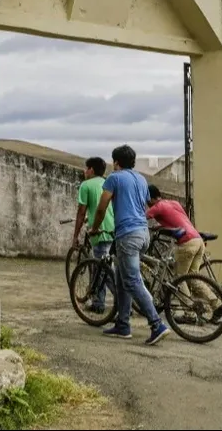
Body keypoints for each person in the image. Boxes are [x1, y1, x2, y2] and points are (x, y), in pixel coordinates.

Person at [89, 144, 171, 346]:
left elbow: (101, 207)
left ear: (116, 162)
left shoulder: (114, 178)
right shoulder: (141, 179)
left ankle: (157, 324)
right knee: (121, 279)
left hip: (128, 236)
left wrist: (94, 228)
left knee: (132, 280)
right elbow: (144, 204)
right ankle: (122, 324)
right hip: (143, 234)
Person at [146, 185, 222, 322]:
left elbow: (140, 218)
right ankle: (217, 305)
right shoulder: (173, 203)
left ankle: (190, 314)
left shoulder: (157, 207)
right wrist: (159, 227)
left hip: (186, 243)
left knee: (178, 278)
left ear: (150, 198)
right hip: (197, 240)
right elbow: (180, 221)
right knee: (193, 278)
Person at [72, 156, 115, 313]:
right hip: (112, 229)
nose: (85, 171)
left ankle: (102, 303)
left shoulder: (86, 185)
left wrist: (75, 235)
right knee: (106, 268)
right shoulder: (107, 183)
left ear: (91, 169)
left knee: (102, 270)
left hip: (99, 231)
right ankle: (110, 302)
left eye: (87, 168)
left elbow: (81, 211)